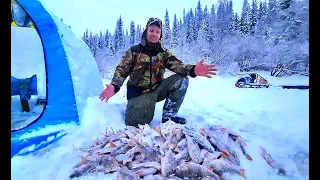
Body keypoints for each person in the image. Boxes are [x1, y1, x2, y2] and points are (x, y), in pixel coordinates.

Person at [99, 17, 217, 127]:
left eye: (157, 32)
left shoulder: (163, 53)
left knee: (182, 80)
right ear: (146, 32)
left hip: (157, 89)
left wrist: (193, 69)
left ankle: (169, 116)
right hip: (139, 93)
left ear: (160, 35)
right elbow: (121, 70)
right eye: (151, 30)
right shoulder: (134, 51)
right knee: (136, 124)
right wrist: (114, 86)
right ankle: (141, 108)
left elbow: (178, 65)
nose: (154, 34)